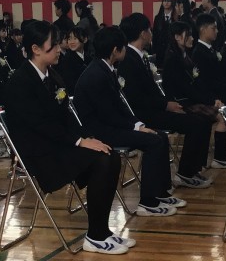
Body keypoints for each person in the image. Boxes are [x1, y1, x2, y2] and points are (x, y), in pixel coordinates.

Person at [3, 21, 130, 255]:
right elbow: (40, 125)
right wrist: (79, 142)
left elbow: (67, 117)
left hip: (58, 145)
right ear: (36, 49)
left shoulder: (53, 75)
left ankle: (101, 230)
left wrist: (87, 137)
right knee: (102, 160)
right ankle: (95, 236)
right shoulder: (20, 82)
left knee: (108, 154)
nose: (60, 49)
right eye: (53, 45)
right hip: (38, 153)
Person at [74, 26, 185, 217]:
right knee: (154, 141)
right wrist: (135, 128)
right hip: (99, 131)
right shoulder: (96, 74)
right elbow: (108, 114)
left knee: (159, 136)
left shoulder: (105, 68)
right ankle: (147, 202)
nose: (125, 49)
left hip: (110, 124)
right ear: (115, 51)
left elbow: (121, 107)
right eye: (123, 46)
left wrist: (138, 125)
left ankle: (160, 192)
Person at [118, 13, 213, 189]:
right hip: (143, 114)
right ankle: (185, 174)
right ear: (143, 33)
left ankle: (191, 170)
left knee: (201, 120)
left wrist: (167, 104)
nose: (151, 33)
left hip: (154, 108)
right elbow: (136, 96)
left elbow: (152, 90)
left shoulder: (140, 56)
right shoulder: (129, 59)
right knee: (196, 123)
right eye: (149, 30)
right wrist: (166, 105)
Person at [191, 14, 226, 168]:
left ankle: (223, 155)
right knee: (223, 117)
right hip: (207, 97)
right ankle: (219, 157)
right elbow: (203, 81)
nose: (217, 31)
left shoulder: (210, 50)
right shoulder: (199, 52)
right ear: (203, 29)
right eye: (213, 28)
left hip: (217, 93)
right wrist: (213, 99)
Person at [56, 27, 91, 96]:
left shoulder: (89, 58)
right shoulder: (66, 60)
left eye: (75, 38)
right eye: (69, 39)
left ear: (85, 39)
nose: (72, 42)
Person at [152, 0, 175, 66]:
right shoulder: (158, 18)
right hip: (160, 50)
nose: (166, 3)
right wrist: (154, 51)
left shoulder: (176, 17)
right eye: (164, 1)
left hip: (172, 49)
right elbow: (155, 35)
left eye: (168, 1)